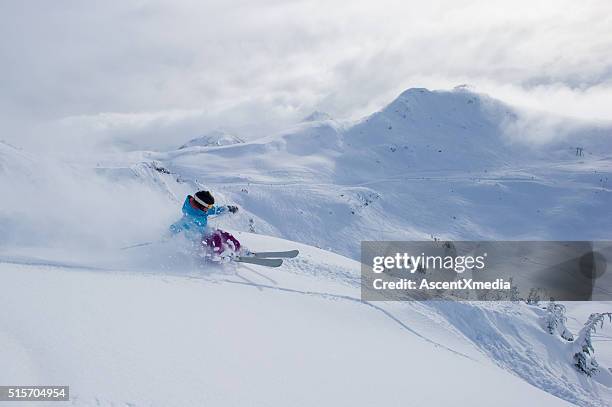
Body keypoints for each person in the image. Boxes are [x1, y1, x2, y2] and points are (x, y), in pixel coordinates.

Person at [170, 190, 242, 258]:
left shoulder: (203, 209)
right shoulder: (189, 217)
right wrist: (168, 235)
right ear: (200, 205)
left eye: (210, 206)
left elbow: (215, 210)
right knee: (216, 239)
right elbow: (177, 226)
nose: (210, 208)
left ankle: (238, 249)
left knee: (226, 235)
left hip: (206, 231)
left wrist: (228, 209)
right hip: (198, 240)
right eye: (209, 206)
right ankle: (219, 256)